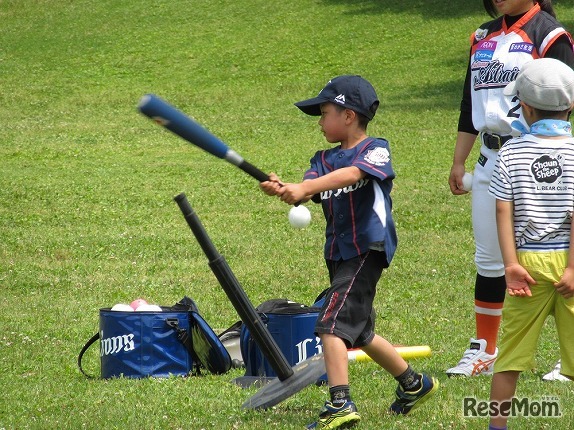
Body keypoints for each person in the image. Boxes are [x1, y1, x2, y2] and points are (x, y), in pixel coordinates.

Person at [260, 75, 438, 429]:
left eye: (324, 113)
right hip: (340, 251)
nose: (320, 122)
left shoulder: (375, 148)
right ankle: (414, 384)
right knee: (359, 331)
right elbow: (309, 189)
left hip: (367, 248)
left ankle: (339, 404)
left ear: (349, 115)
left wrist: (306, 186)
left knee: (331, 325)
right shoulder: (322, 158)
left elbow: (353, 174)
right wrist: (286, 189)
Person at [447, 0, 574, 378]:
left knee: (560, 254)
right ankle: (485, 350)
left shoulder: (550, 35)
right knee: (490, 260)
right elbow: (469, 101)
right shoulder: (482, 36)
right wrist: (459, 160)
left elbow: (566, 99)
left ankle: (568, 359)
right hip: (491, 158)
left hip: (542, 158)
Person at [487, 57, 574, 430]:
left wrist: (510, 265)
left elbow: (503, 213)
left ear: (524, 106)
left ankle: (496, 427)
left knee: (509, 356)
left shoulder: (509, 153)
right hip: (569, 263)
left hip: (527, 266)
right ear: (570, 107)